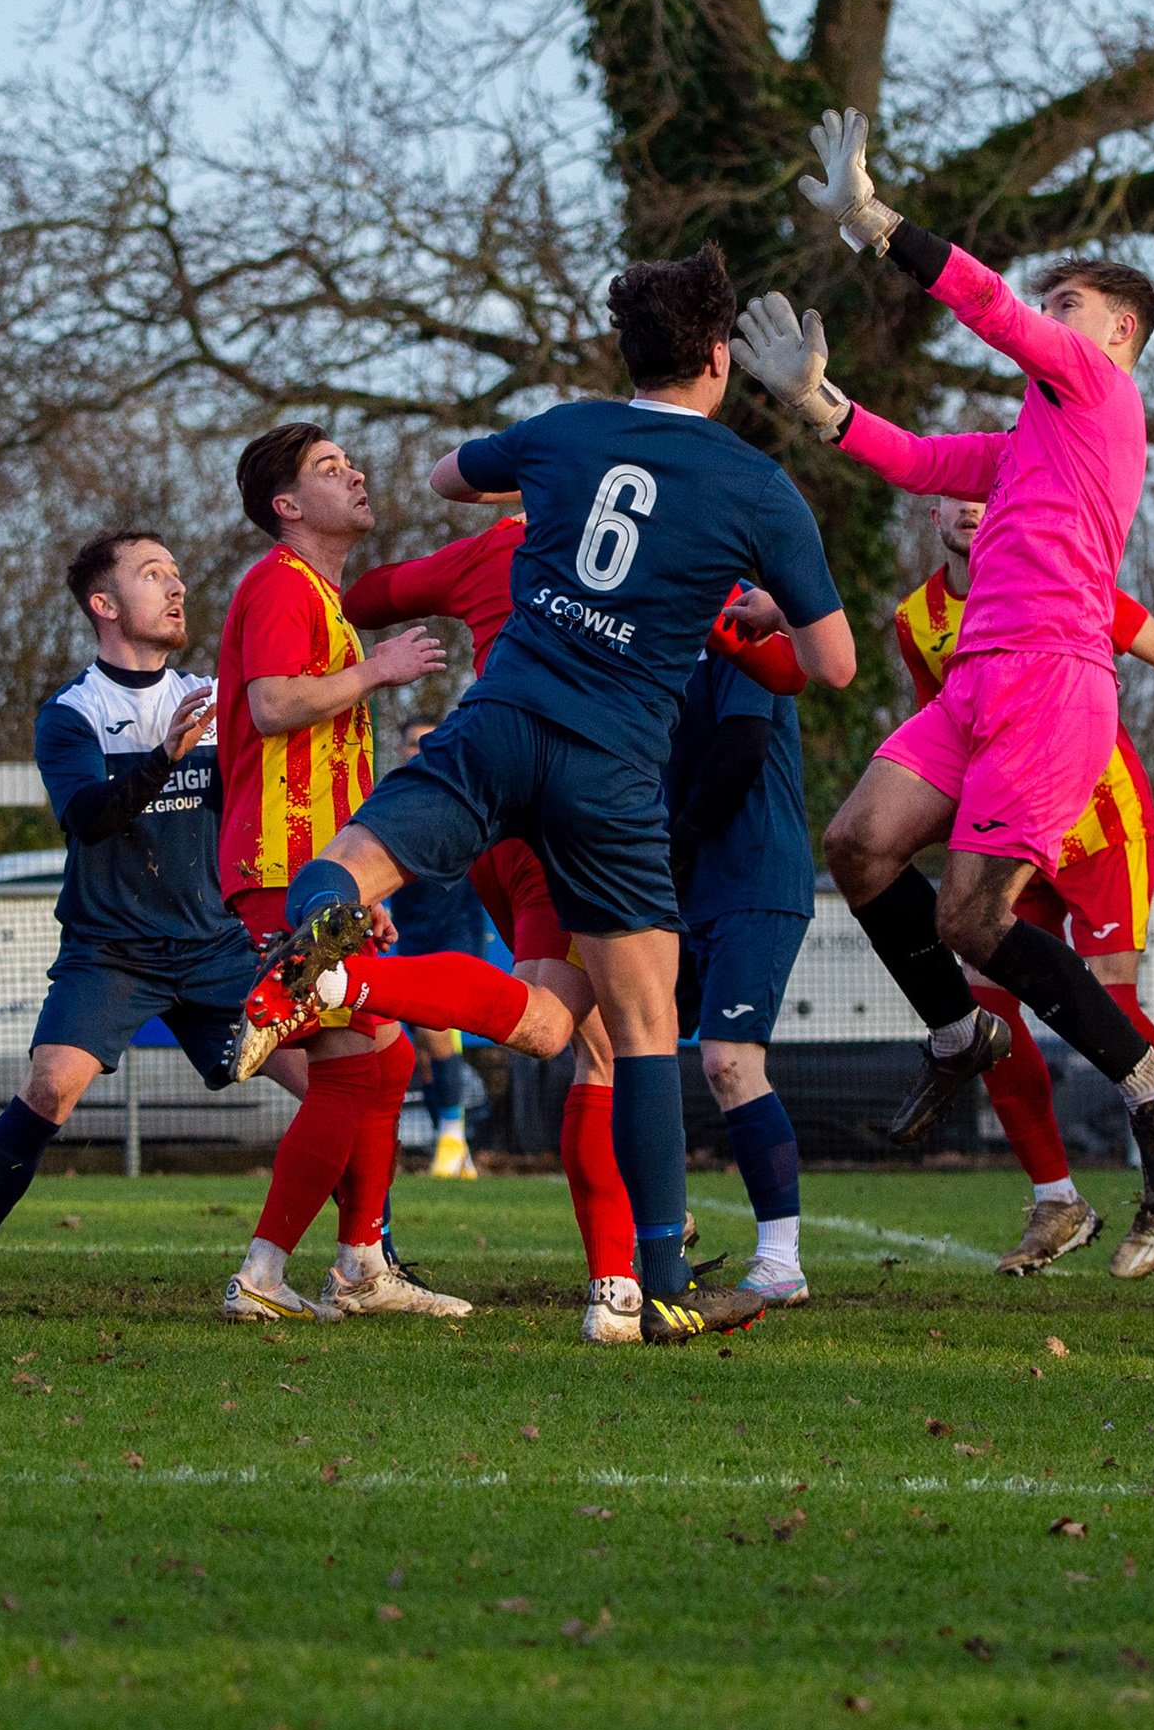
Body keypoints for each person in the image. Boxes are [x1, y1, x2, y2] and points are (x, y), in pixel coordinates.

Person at [236, 250, 857, 1346]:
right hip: (610, 773)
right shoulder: (758, 487)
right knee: (639, 1029)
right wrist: (763, 610)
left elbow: (445, 476)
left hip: (502, 723)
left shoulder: (564, 432)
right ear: (719, 360)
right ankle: (652, 1284)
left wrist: (536, 474)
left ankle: (324, 955)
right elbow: (835, 666)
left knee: (352, 863)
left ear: (628, 354)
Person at [735, 111, 1154, 1261]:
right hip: (974, 690)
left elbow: (989, 305)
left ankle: (1150, 1082)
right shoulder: (1032, 436)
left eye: (1069, 303)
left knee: (970, 921)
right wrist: (816, 401)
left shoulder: (1099, 390)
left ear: (1119, 330)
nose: (1050, 315)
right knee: (857, 845)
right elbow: (911, 457)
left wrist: (876, 222)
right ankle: (956, 1034)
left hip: (1051, 686)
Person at [346, 522, 802, 1299]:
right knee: (574, 1035)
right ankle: (342, 983)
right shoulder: (647, 549)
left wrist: (370, 666)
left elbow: (365, 594)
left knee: (591, 1039)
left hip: (490, 799)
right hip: (570, 807)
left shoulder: (496, 545)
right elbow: (799, 667)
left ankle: (622, 1270)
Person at [0, 533, 340, 1312]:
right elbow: (88, 817)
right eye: (153, 575)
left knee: (335, 1087)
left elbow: (274, 806)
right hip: (112, 952)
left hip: (217, 947)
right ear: (104, 605)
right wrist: (163, 758)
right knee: (49, 1089)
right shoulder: (73, 711)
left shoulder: (218, 697)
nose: (176, 588)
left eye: (176, 573)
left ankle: (370, 1261)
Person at [889, 493, 1154, 1278]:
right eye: (954, 497)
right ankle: (1056, 1200)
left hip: (1100, 823)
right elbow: (944, 727)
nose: (970, 510)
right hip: (1009, 829)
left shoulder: (1061, 580)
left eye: (985, 495)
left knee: (1110, 1001)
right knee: (988, 1013)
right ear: (931, 516)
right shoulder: (914, 619)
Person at [211, 423, 459, 1322]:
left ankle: (360, 1264)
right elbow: (274, 704)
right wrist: (380, 669)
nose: (354, 473)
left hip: (325, 876)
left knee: (389, 1062)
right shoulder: (281, 581)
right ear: (287, 505)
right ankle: (264, 1273)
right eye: (329, 468)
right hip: (282, 866)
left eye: (349, 462)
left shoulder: (324, 595)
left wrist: (362, 883)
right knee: (355, 1066)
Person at [664, 597, 814, 1308]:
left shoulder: (736, 613)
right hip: (684, 883)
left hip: (754, 874)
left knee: (728, 1061)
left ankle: (781, 1261)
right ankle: (656, 1230)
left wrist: (678, 843)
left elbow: (745, 744)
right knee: (624, 1043)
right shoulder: (650, 615)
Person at [374, 720, 500, 1179]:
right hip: (411, 934)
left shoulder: (461, 794)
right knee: (423, 1053)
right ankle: (454, 1147)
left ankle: (450, 1138)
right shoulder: (389, 798)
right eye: (413, 743)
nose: (421, 750)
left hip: (456, 932)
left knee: (436, 1029)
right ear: (400, 748)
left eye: (429, 742)